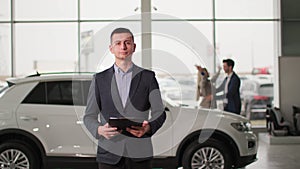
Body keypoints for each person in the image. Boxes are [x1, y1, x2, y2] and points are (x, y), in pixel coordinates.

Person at [83, 28, 166, 169]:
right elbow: (89, 116)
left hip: (140, 154)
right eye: (118, 43)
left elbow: (160, 112)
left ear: (134, 47)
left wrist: (148, 128)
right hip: (109, 154)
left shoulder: (148, 77)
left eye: (127, 42)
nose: (123, 47)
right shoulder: (99, 80)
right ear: (111, 48)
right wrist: (99, 130)